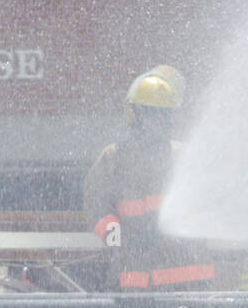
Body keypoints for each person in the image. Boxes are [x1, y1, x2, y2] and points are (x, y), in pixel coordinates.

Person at [83, 65, 211, 290]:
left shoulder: (182, 157)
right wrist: (119, 239)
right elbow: (97, 208)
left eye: (166, 114)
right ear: (138, 114)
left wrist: (169, 233)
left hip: (182, 277)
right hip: (137, 276)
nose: (163, 121)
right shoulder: (114, 158)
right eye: (156, 114)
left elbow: (203, 207)